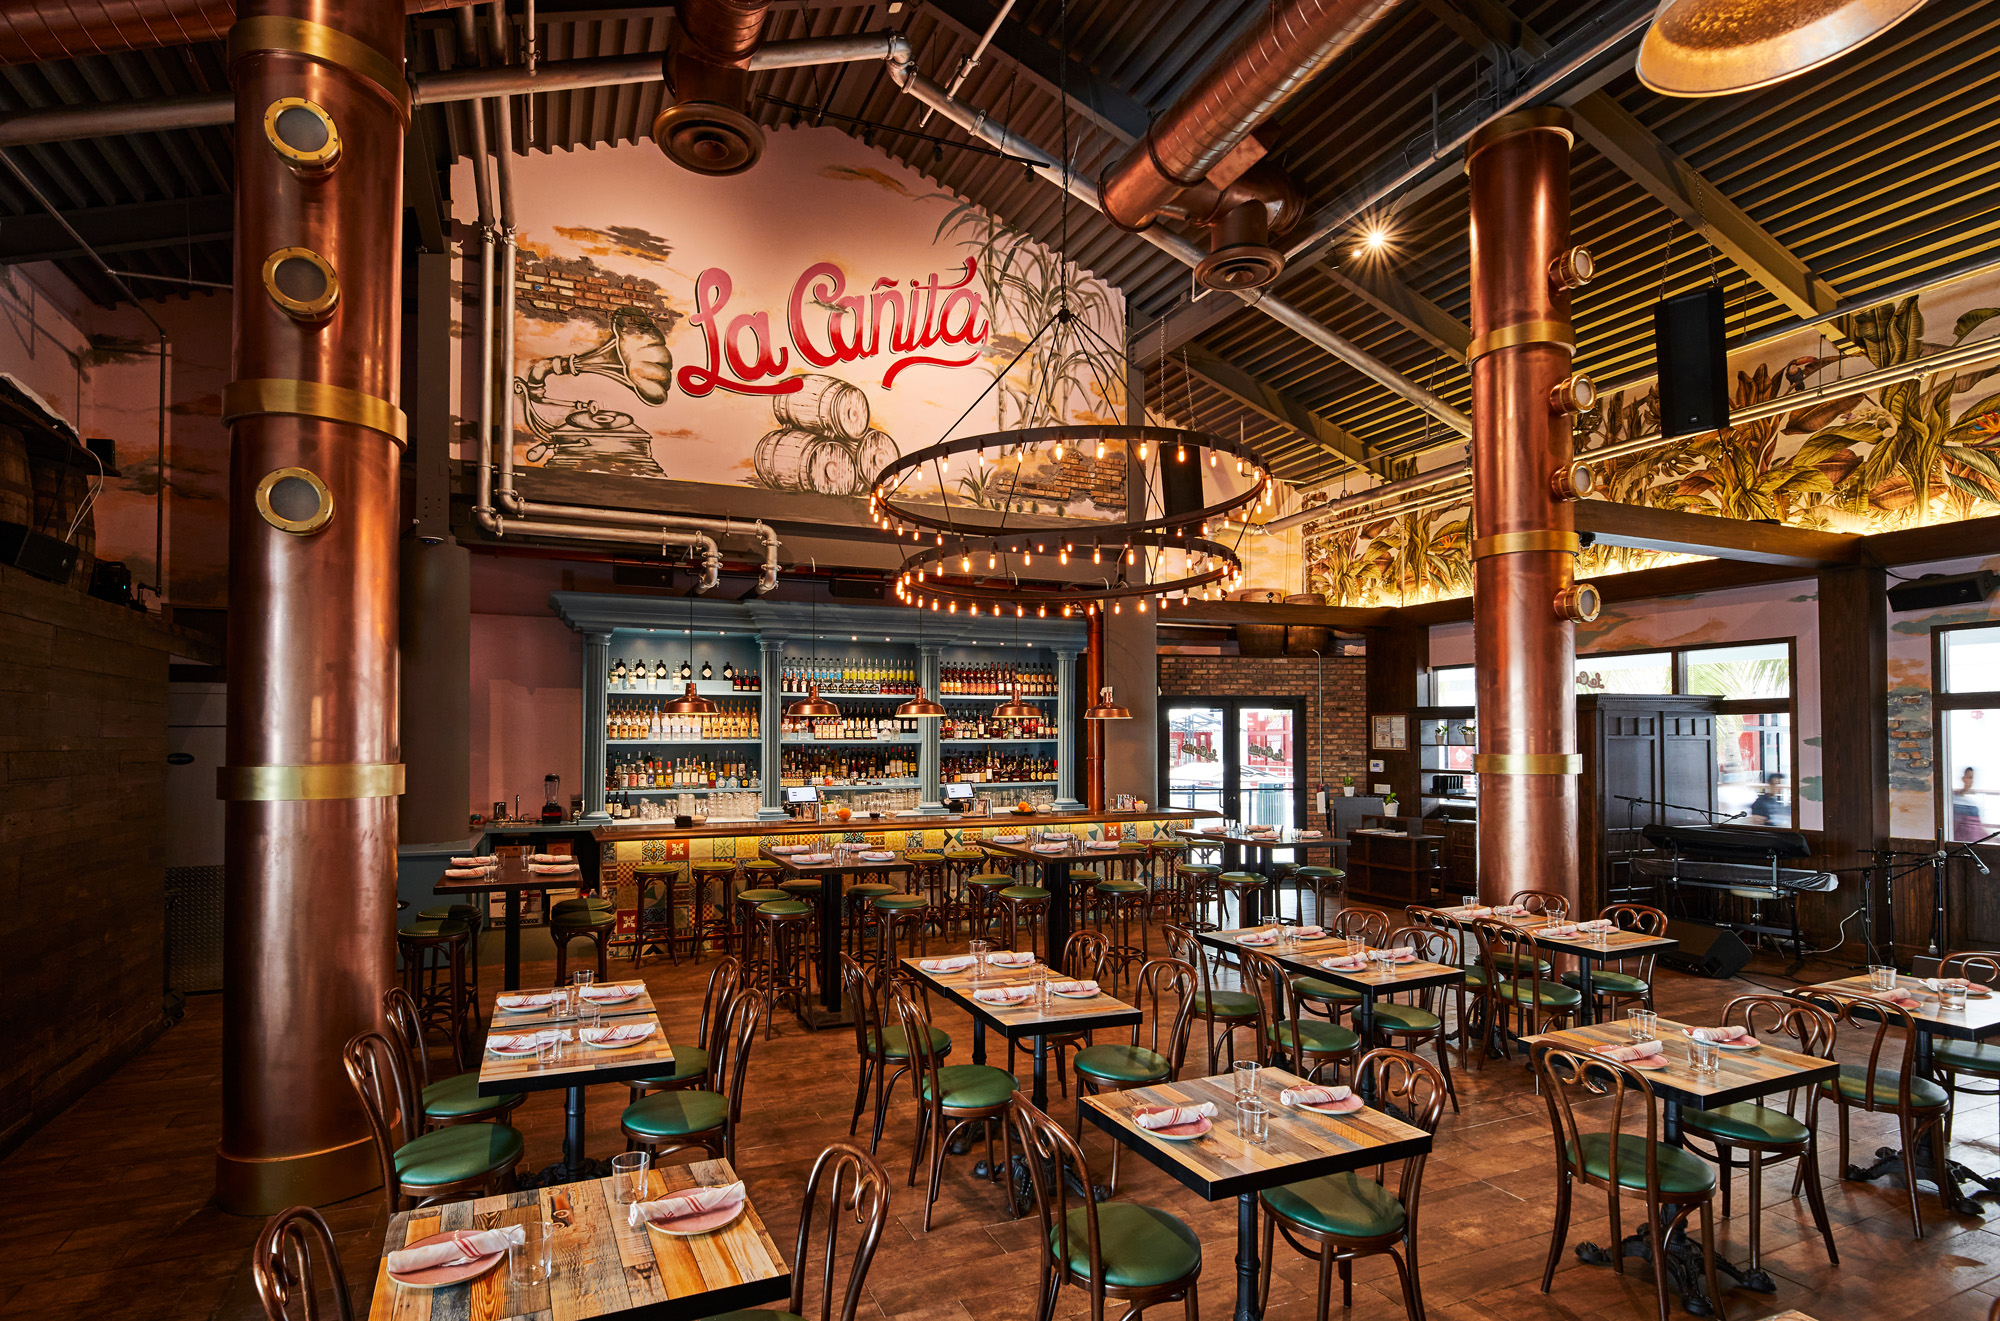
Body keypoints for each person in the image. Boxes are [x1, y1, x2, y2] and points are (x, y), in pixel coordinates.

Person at [1954, 767, 1988, 842]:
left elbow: (1978, 825)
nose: (1970, 781)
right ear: (1963, 779)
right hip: (1962, 838)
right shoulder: (1955, 799)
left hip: (1974, 837)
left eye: (1972, 778)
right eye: (1969, 777)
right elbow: (1954, 824)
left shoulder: (1974, 800)